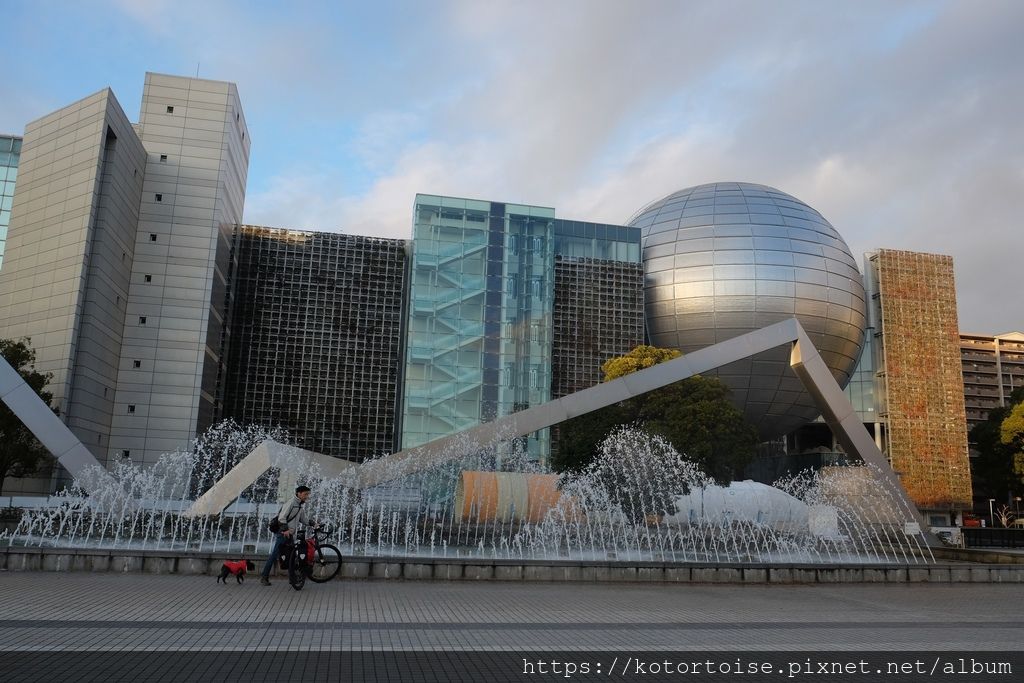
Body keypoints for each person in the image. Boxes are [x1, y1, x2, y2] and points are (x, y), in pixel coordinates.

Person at [260, 485, 316, 586]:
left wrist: (314, 524)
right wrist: (285, 530)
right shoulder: (291, 503)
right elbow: (282, 517)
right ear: (299, 493)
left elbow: (304, 519)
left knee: (292, 556)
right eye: (305, 494)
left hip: (290, 535)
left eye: (308, 494)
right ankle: (264, 576)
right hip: (283, 534)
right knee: (274, 555)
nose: (307, 496)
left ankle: (292, 579)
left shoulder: (299, 505)